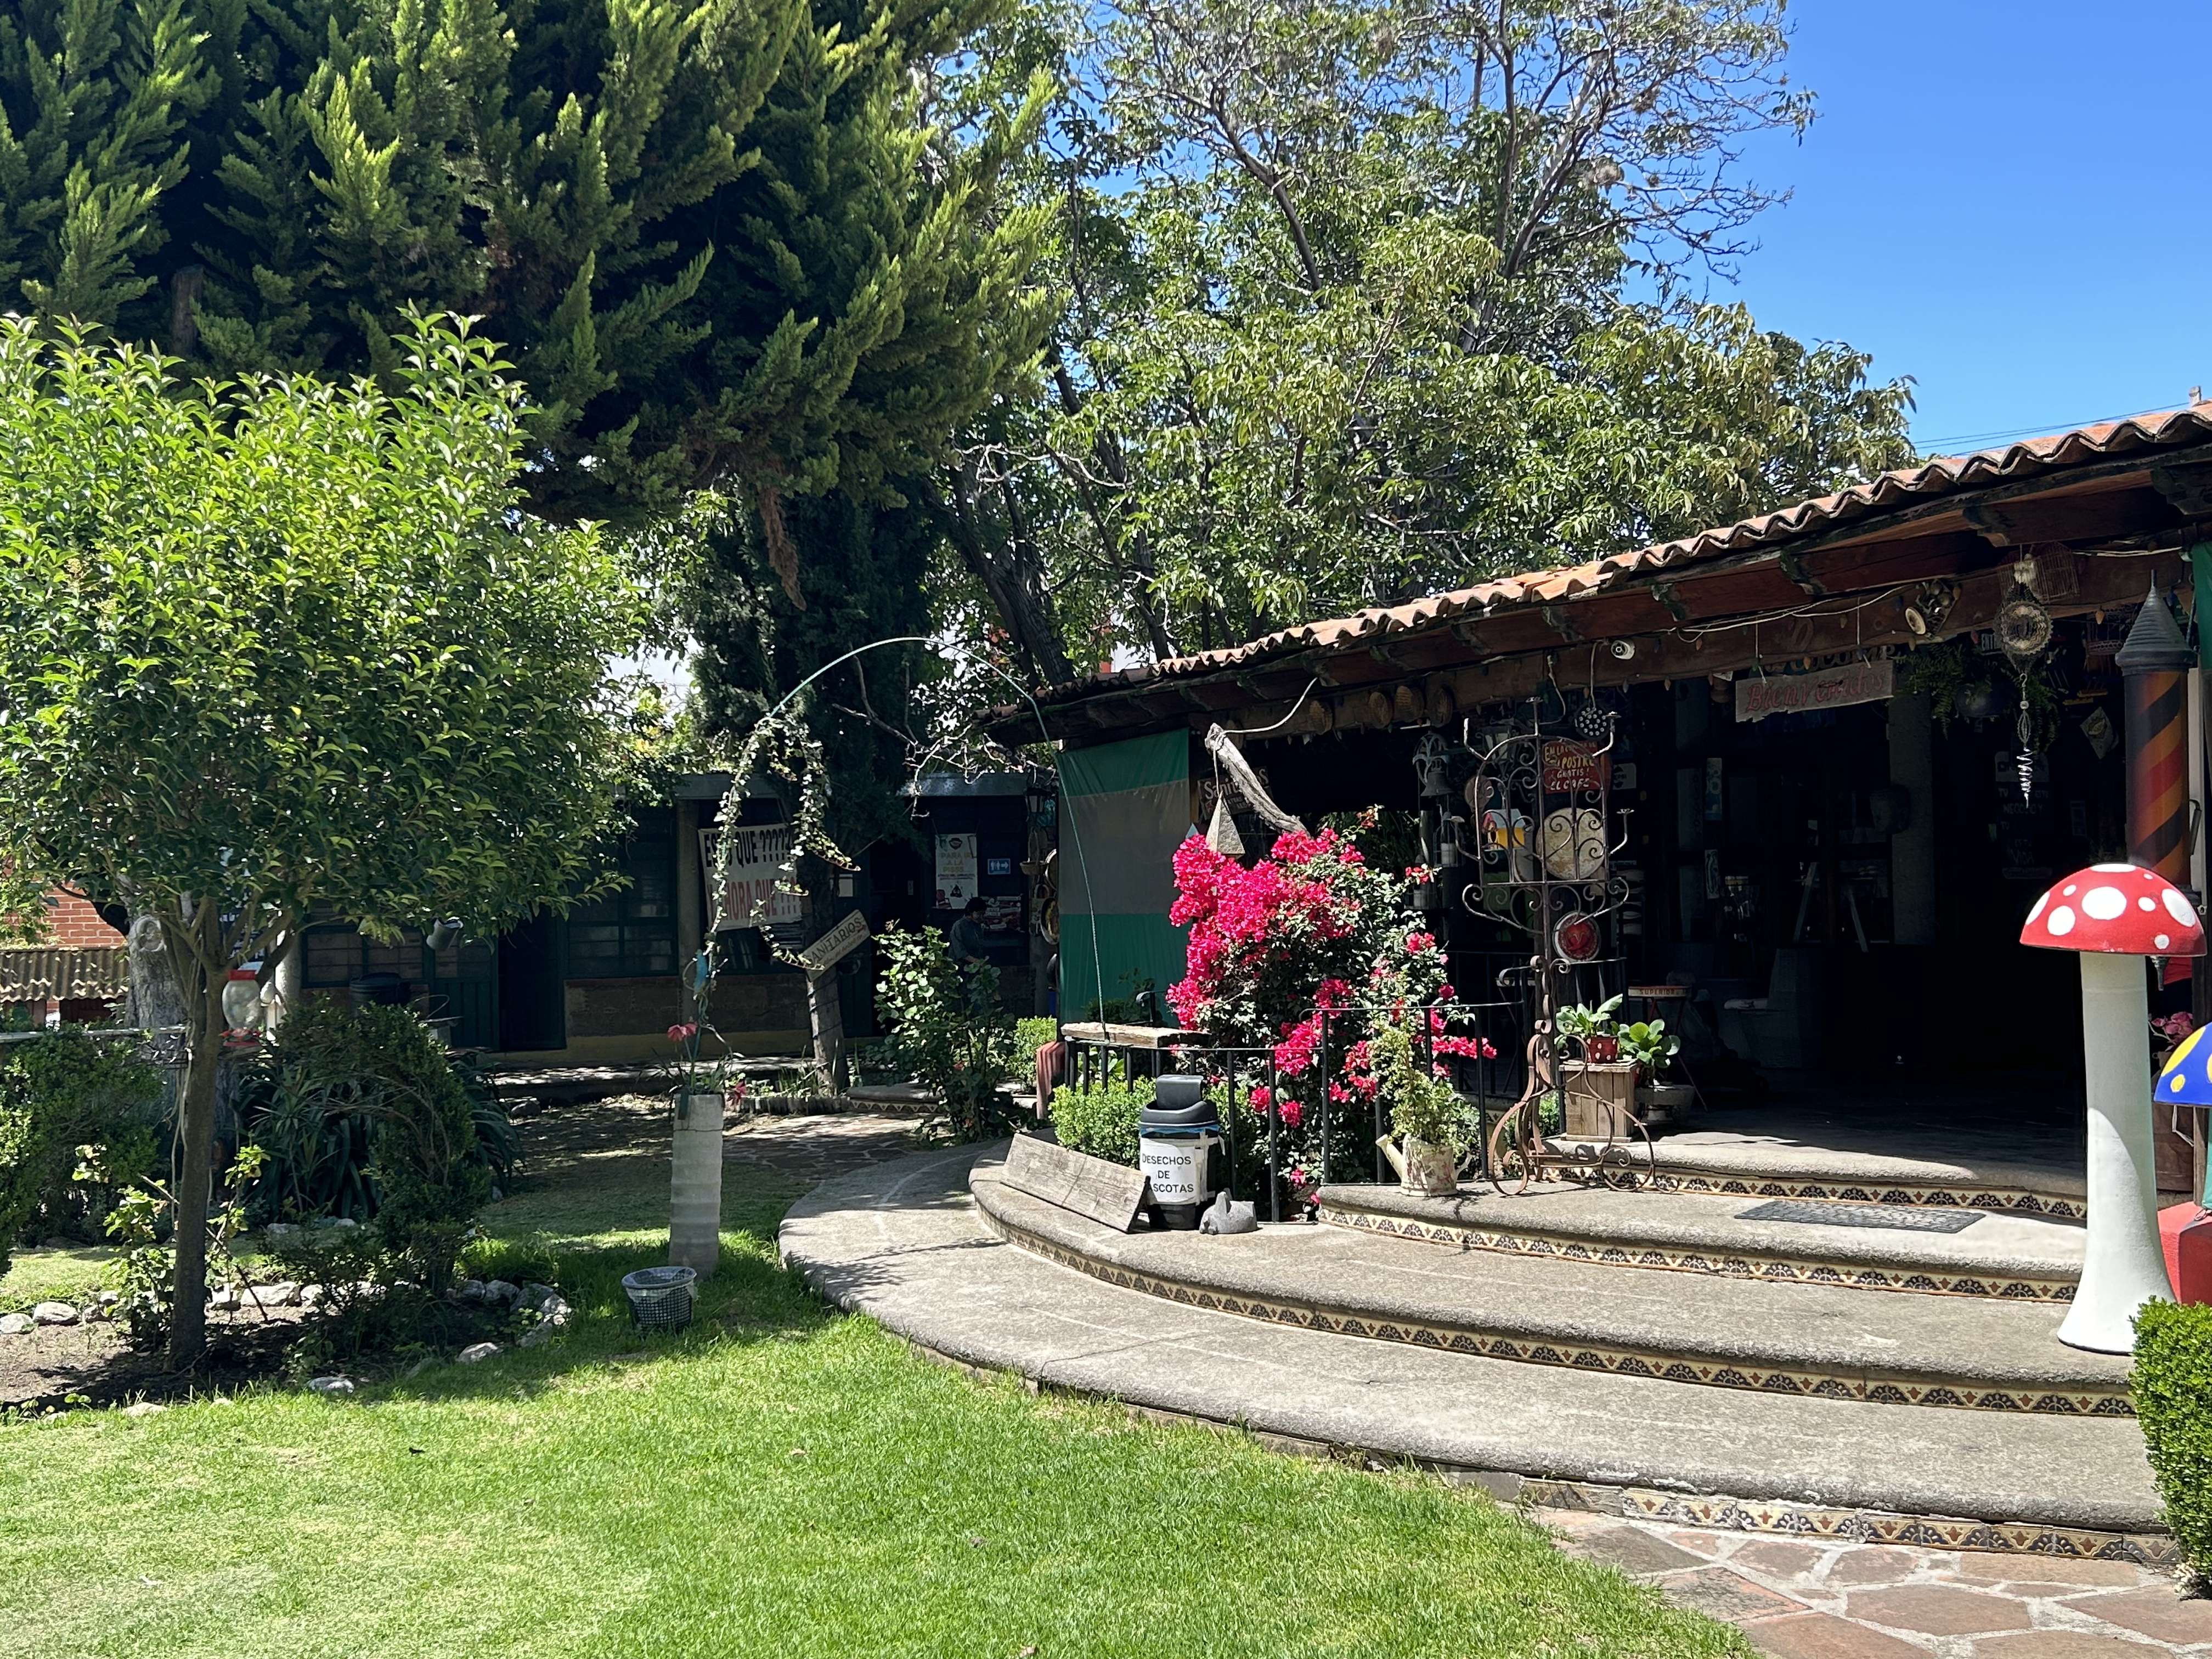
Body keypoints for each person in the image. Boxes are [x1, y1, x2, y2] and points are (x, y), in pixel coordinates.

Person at [948, 896, 990, 966]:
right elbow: (959, 950)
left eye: (983, 914)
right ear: (971, 912)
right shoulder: (959, 926)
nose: (982, 917)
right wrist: (976, 961)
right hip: (958, 965)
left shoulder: (978, 925)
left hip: (974, 965)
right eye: (979, 914)